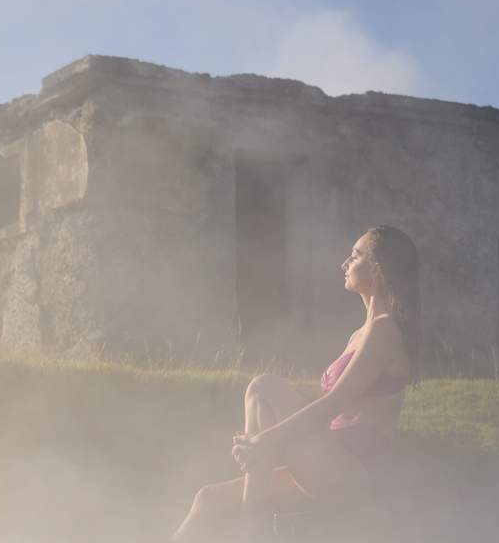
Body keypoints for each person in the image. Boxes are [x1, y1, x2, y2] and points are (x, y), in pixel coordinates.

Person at [170, 225, 421, 542]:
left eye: (355, 255)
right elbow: (328, 405)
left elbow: (335, 403)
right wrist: (263, 436)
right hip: (329, 455)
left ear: (377, 268)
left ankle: (253, 530)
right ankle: (254, 525)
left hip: (357, 469)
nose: (345, 263)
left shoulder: (385, 331)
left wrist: (266, 440)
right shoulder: (360, 333)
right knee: (208, 499)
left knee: (264, 387)